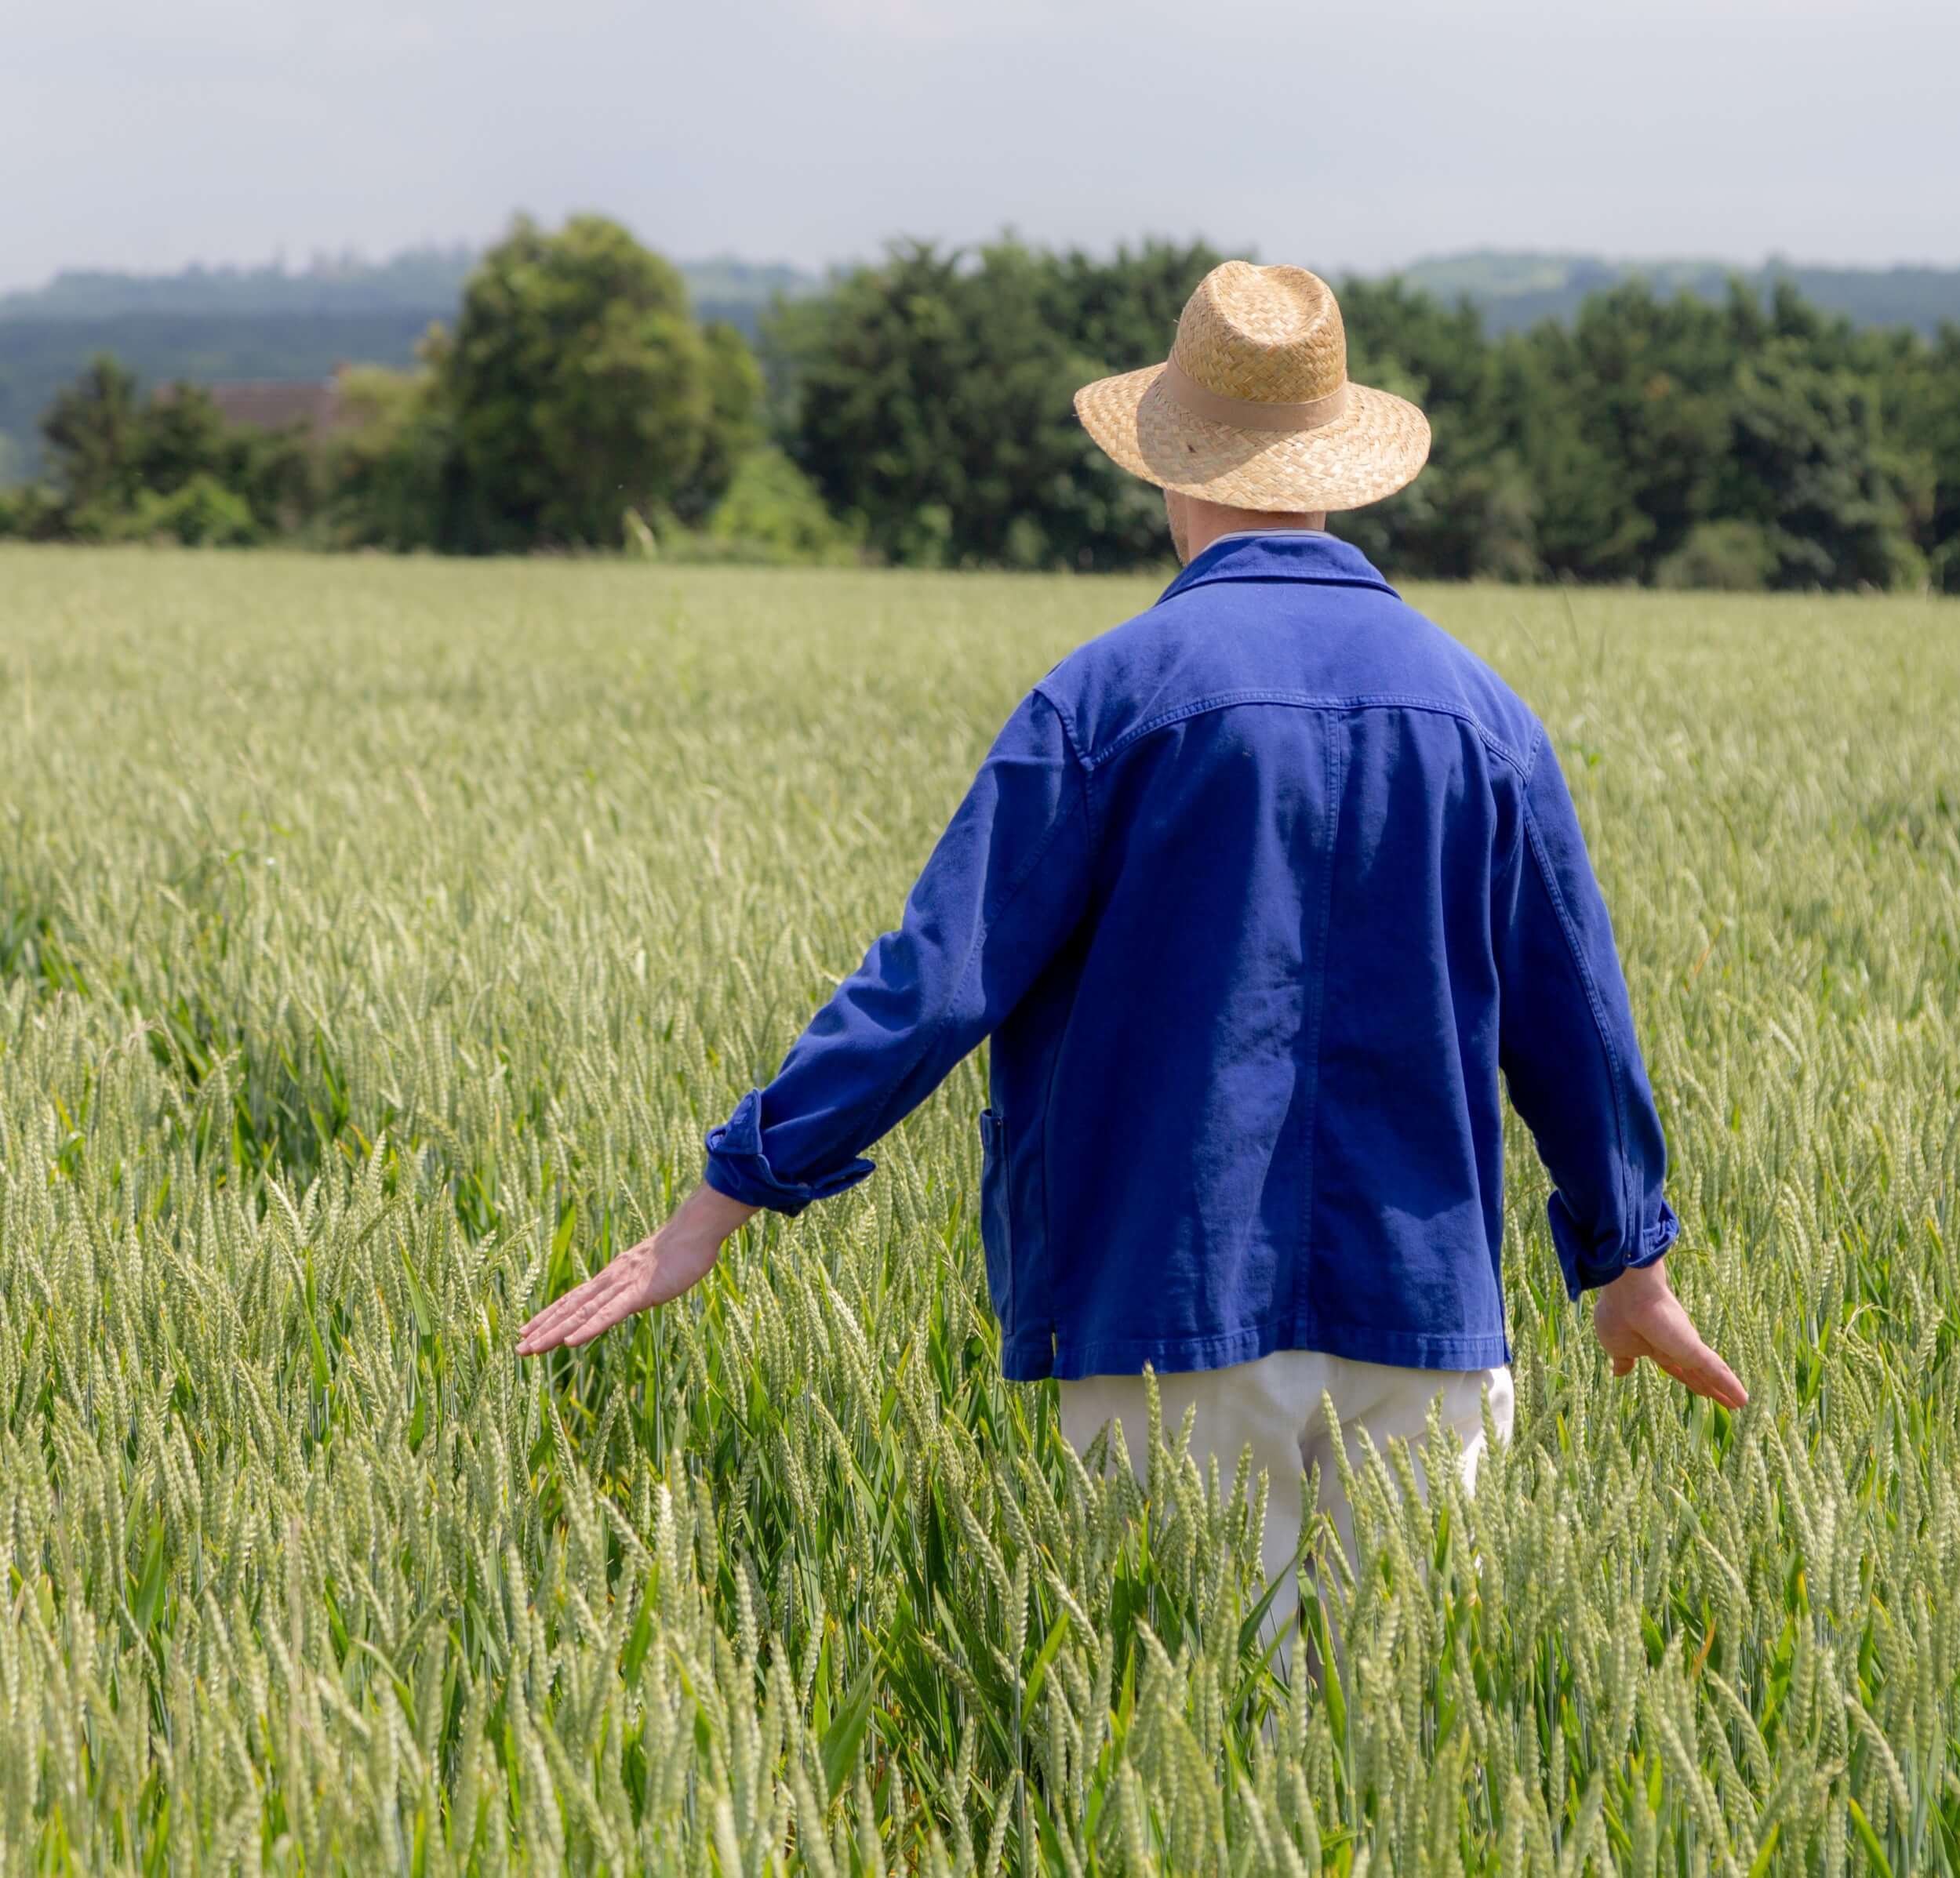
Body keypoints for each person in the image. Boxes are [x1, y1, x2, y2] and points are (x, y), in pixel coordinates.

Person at [516, 260, 1744, 1635]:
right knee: (1398, 1758)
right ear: (1335, 471)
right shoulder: (1483, 716)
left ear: (1171, 468)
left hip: (1164, 1318)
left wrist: (727, 1197)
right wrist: (1629, 1267)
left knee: (1189, 1743)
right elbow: (1577, 1013)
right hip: (1425, 1320)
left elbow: (934, 980)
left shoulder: (1106, 699)